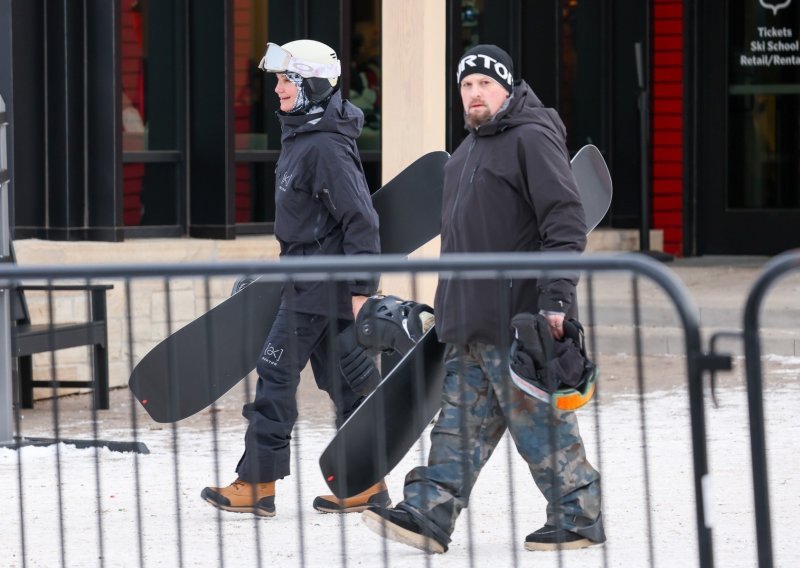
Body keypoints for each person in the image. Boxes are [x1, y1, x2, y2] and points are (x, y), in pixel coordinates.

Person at [361, 44, 605, 552]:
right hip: (467, 320)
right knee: (458, 423)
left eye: (485, 84)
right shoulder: (466, 152)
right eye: (467, 85)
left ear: (507, 87)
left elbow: (565, 221)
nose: (474, 93)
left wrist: (555, 302)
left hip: (518, 318)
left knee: (538, 421)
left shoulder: (531, 137)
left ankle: (579, 514)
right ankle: (429, 512)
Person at [201, 39, 390, 517]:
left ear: (313, 85)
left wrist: (361, 291)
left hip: (318, 286)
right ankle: (366, 483)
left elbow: (361, 220)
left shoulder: (325, 146)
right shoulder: (304, 136)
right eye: (280, 80)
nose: (279, 88)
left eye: (288, 80)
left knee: (275, 378)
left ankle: (256, 483)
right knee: (346, 384)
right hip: (306, 281)